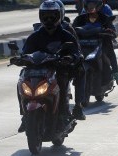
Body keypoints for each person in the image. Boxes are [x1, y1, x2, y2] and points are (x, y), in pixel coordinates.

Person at [18, 0, 82, 132]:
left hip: (59, 69)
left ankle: (65, 113)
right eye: (45, 16)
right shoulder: (35, 36)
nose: (49, 19)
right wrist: (19, 59)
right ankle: (24, 117)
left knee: (63, 82)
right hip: (38, 70)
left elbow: (76, 52)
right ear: (41, 17)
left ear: (59, 16)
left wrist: (70, 58)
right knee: (21, 81)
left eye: (52, 16)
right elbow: (25, 52)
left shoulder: (66, 34)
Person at [73, 0, 118, 86]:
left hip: (101, 38)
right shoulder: (81, 16)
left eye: (93, 3)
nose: (91, 6)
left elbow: (111, 27)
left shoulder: (106, 12)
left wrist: (109, 32)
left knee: (109, 47)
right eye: (89, 4)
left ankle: (115, 72)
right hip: (85, 39)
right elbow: (75, 27)